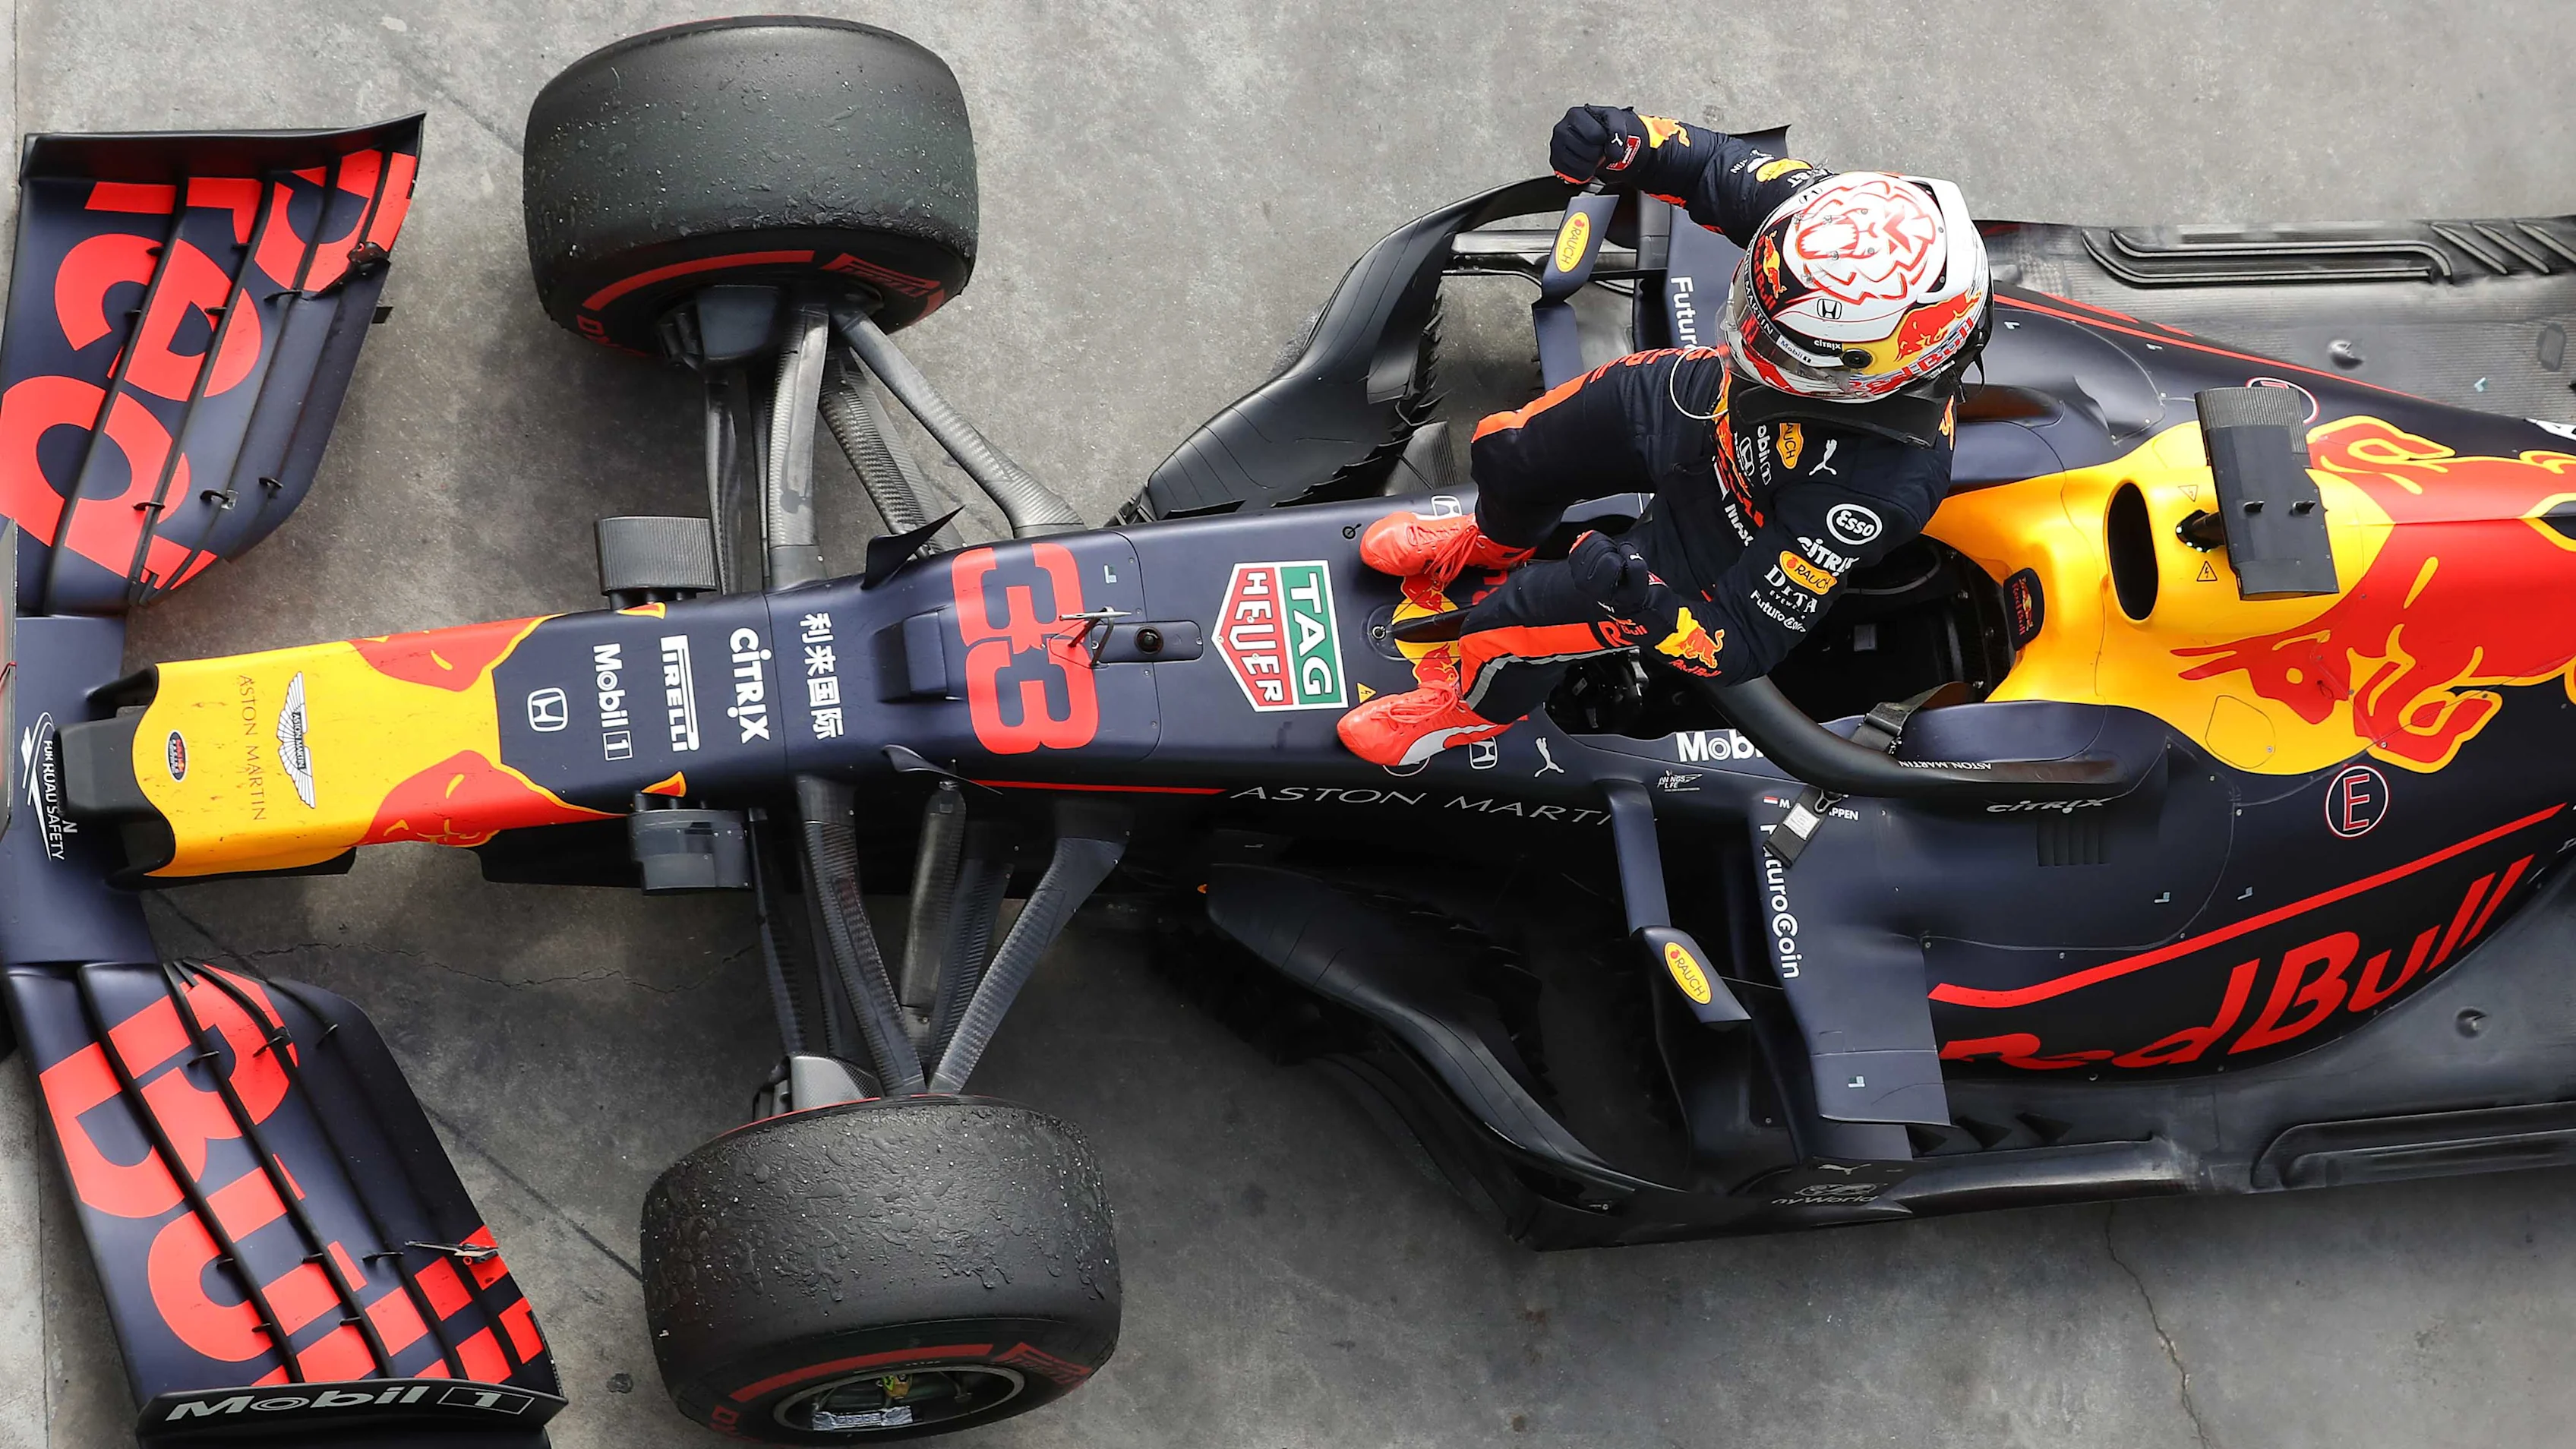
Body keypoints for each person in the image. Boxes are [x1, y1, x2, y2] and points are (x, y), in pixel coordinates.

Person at [1335, 106, 1991, 768]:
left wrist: (1643, 603)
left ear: (1881, 371)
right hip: (1705, 403)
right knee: (1510, 448)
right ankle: (1491, 542)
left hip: (1729, 532)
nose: (1747, 340)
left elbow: (1739, 645)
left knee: (1522, 621)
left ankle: (1469, 712)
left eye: (1786, 348)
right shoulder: (1823, 218)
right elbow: (1708, 163)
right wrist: (1619, 139)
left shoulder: (1876, 492)